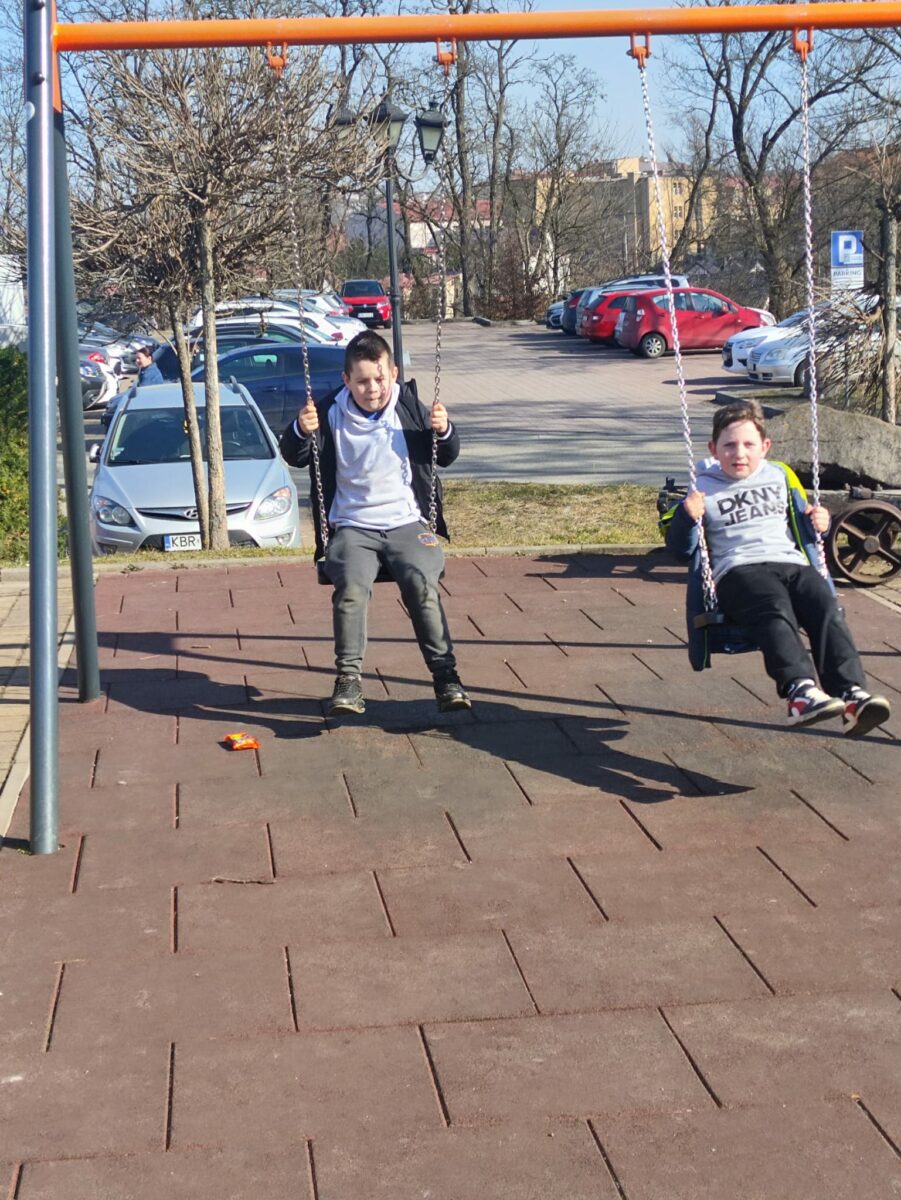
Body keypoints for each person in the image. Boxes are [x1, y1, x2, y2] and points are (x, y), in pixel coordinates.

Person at [664, 399, 891, 736]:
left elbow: (806, 521)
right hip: (738, 570)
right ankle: (800, 691)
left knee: (825, 603)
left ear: (765, 447)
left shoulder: (780, 476)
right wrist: (686, 516)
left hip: (790, 562)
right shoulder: (703, 487)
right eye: (729, 445)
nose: (739, 453)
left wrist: (821, 521)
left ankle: (851, 695)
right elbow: (680, 549)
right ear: (713, 449)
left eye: (749, 445)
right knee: (774, 606)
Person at [279, 330, 471, 717]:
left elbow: (446, 455)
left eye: (380, 379)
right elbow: (294, 455)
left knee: (421, 584)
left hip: (407, 522)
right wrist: (301, 428)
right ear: (346, 380)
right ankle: (348, 681)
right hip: (353, 526)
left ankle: (446, 677)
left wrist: (444, 428)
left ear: (393, 374)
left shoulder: (409, 407)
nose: (373, 389)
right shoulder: (329, 413)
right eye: (363, 381)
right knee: (350, 586)